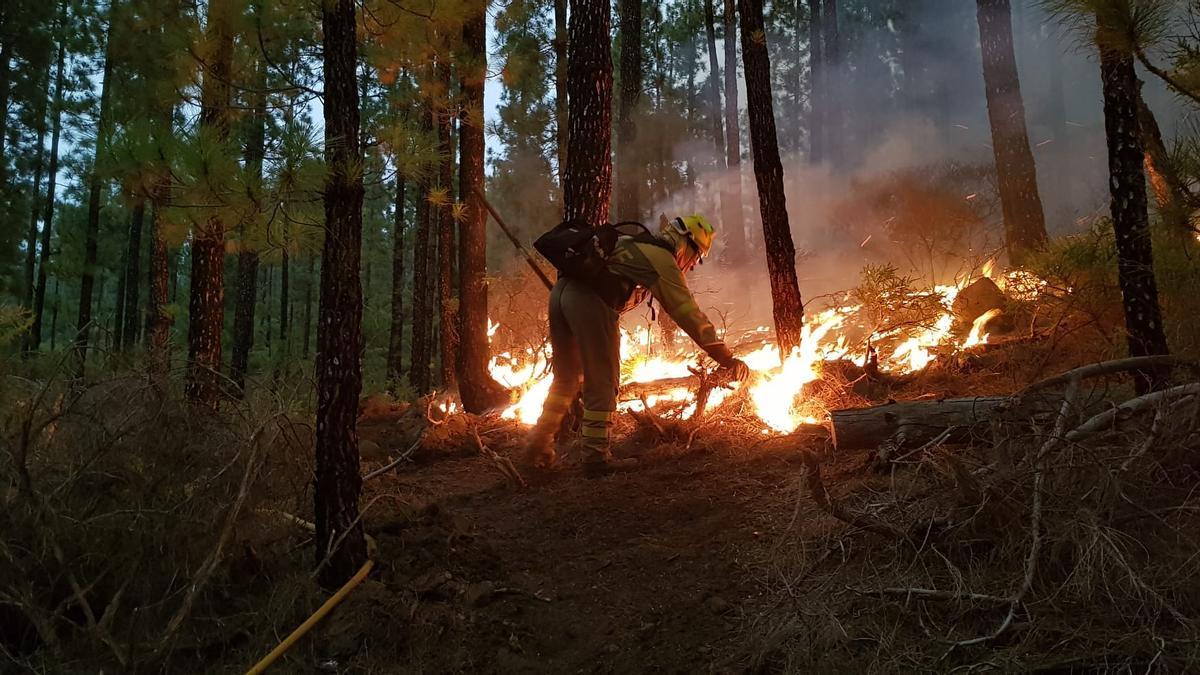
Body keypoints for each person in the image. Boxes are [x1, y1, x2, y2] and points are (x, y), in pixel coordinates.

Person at [524, 214, 751, 475]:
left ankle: (537, 447)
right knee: (603, 381)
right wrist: (726, 358)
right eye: (695, 257)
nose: (691, 266)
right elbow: (686, 312)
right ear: (685, 244)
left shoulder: (634, 243)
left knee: (565, 379)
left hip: (561, 295)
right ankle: (596, 457)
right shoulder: (662, 260)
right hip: (589, 303)